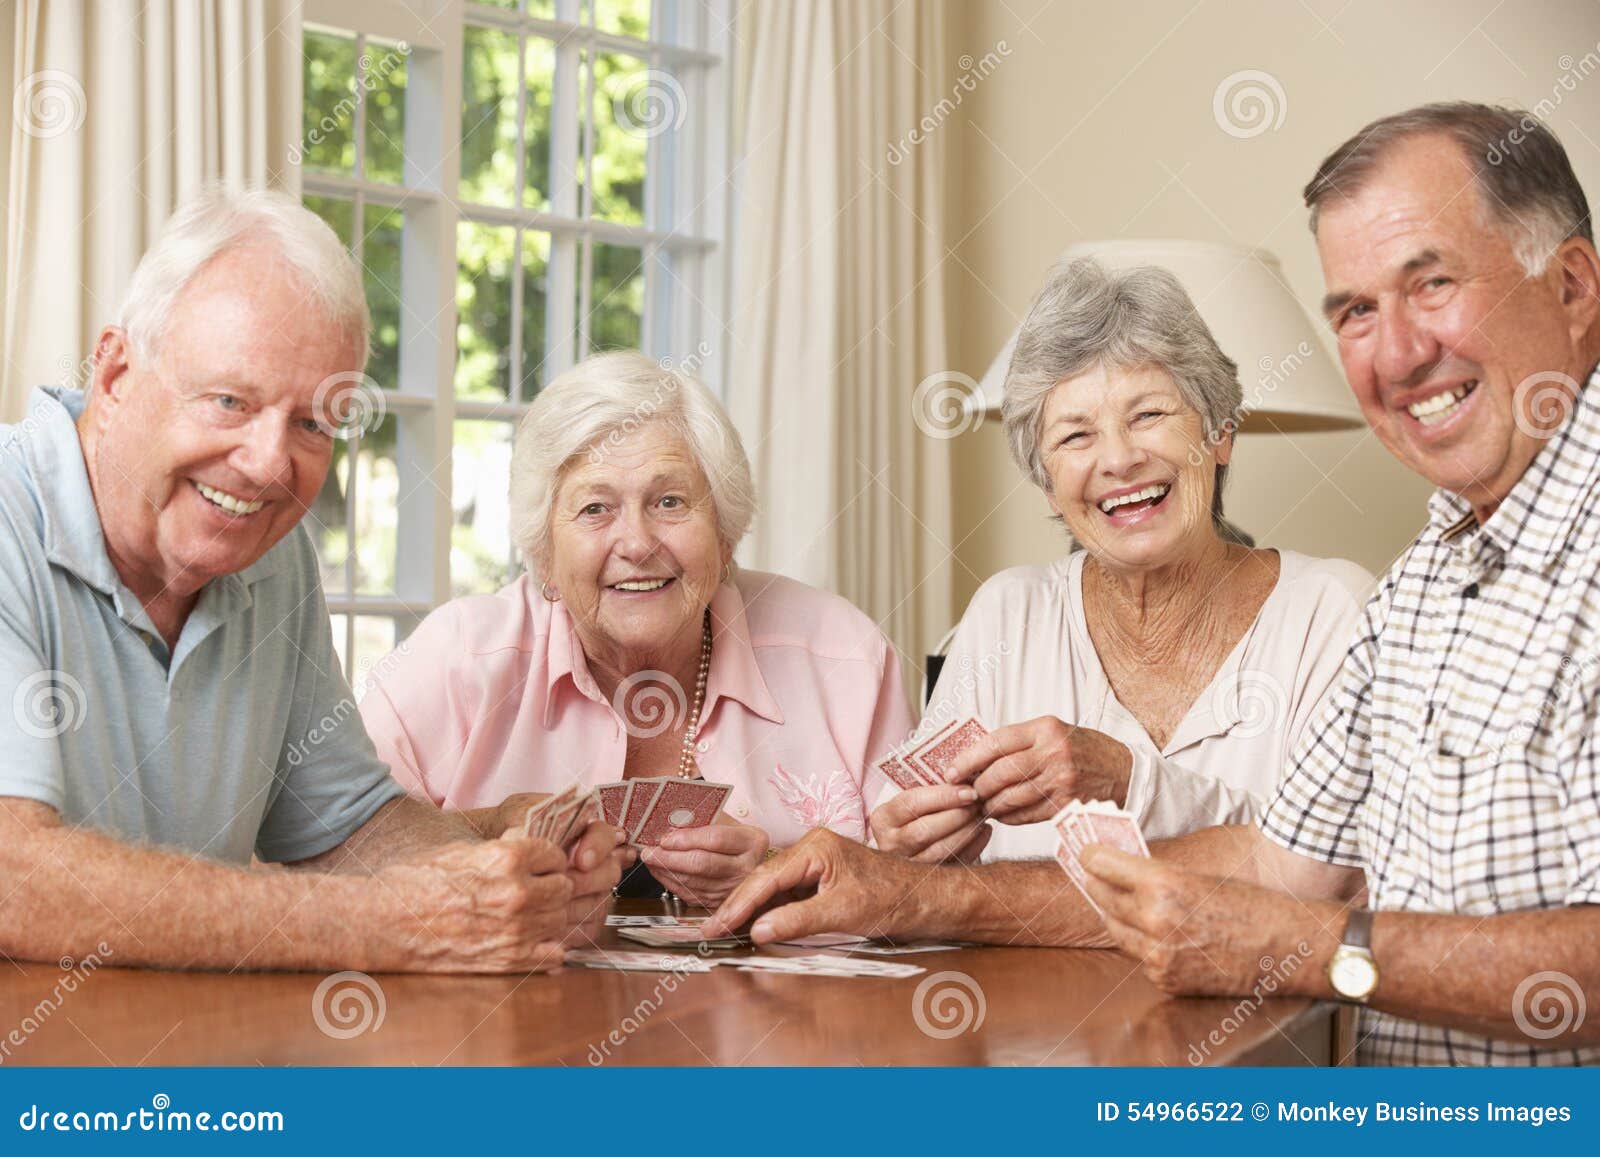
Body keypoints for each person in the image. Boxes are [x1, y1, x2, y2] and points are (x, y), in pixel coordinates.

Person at [705, 103, 1600, 1065]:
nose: (1395, 352)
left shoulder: (1364, 597)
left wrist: (1303, 948)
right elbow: (1276, 865)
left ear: (1574, 283)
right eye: (1354, 311)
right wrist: (909, 889)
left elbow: (1304, 916)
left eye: (1433, 284)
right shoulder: (1427, 579)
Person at [0, 189, 623, 974]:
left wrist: (502, 856)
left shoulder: (264, 549)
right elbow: (12, 880)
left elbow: (345, 830)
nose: (268, 465)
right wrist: (388, 924)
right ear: (117, 374)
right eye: (230, 401)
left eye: (311, 425)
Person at [359, 350, 914, 907]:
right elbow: (329, 850)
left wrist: (776, 874)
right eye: (595, 509)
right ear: (544, 555)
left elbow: (924, 890)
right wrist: (487, 832)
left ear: (725, 537)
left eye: (670, 502)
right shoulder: (460, 660)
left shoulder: (844, 656)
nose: (637, 543)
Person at [871, 258, 1370, 865]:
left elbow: (1339, 866)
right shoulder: (1009, 613)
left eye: (1149, 415)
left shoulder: (1331, 610)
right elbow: (912, 847)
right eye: (1075, 436)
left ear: (1219, 435)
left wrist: (1132, 782)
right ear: (1049, 484)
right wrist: (904, 847)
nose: (1118, 459)